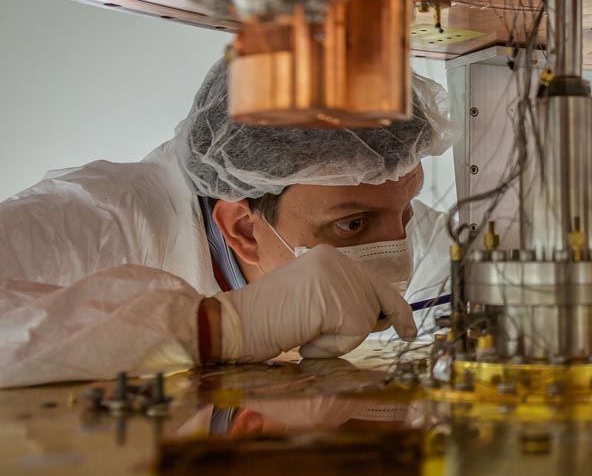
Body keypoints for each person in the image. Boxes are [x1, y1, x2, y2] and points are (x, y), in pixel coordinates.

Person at [0, 59, 455, 388]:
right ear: (240, 228)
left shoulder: (399, 223)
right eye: (353, 225)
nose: (398, 249)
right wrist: (222, 327)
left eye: (407, 209)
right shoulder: (100, 222)